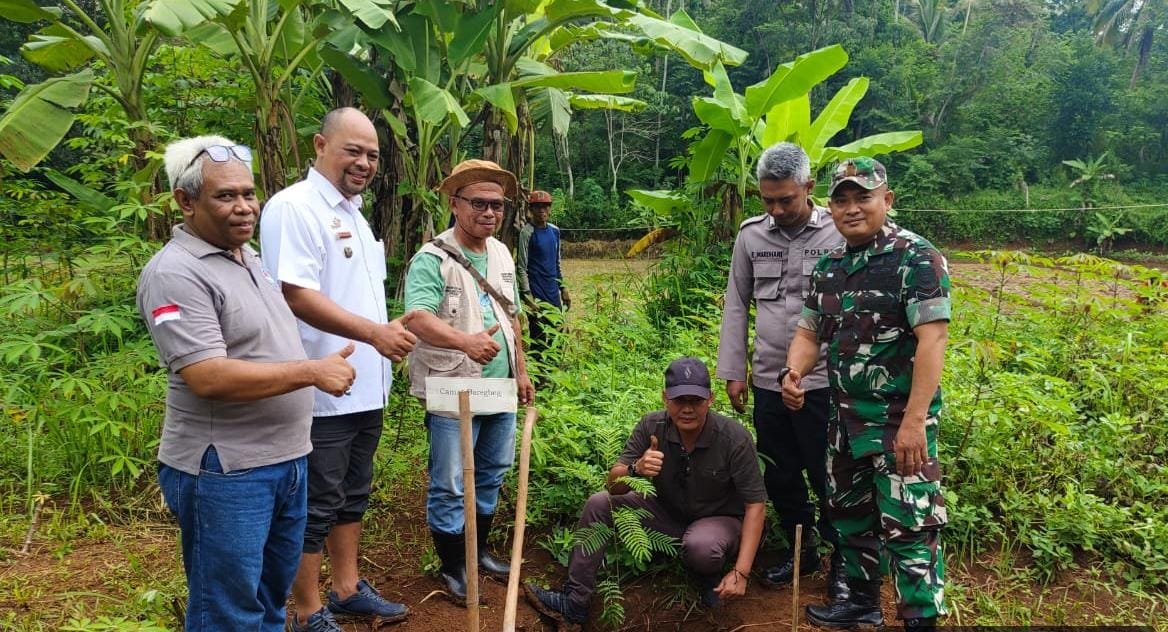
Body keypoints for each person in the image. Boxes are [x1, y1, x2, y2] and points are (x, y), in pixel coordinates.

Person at [137, 135, 357, 631]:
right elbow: (207, 375)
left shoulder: (247, 258)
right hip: (227, 471)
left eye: (248, 193)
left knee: (268, 599)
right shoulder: (174, 274)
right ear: (186, 201)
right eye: (226, 196)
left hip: (286, 460)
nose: (244, 207)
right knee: (228, 611)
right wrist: (311, 371)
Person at [259, 107, 414, 631]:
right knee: (315, 502)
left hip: (366, 385)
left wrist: (384, 338)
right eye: (353, 150)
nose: (365, 163)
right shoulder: (294, 208)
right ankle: (306, 611)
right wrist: (374, 334)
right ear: (320, 145)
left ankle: (346, 590)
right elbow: (295, 295)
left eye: (372, 155)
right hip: (320, 387)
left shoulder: (354, 212)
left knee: (352, 494)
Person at [782, 157, 950, 632]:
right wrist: (793, 374)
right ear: (830, 206)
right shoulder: (831, 265)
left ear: (887, 200)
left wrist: (916, 421)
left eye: (863, 197)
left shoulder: (916, 256)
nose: (851, 208)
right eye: (842, 199)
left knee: (910, 524)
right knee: (850, 517)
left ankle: (919, 617)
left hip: (899, 422)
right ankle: (860, 603)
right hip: (844, 421)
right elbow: (810, 332)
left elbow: (932, 340)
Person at [525, 357, 767, 627]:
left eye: (695, 401)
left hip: (718, 521)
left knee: (702, 547)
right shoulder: (652, 426)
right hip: (665, 512)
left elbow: (755, 505)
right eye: (679, 400)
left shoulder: (734, 438)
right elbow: (613, 485)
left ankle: (708, 576)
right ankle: (575, 602)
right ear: (665, 398)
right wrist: (636, 469)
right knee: (599, 503)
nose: (687, 409)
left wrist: (741, 572)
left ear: (709, 399)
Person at [403, 159, 536, 605]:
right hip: (453, 387)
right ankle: (453, 566)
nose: (489, 213)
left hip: (499, 389)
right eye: (478, 202)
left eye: (497, 205)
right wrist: (465, 342)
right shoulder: (432, 259)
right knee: (450, 482)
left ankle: (479, 554)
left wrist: (522, 368)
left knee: (493, 474)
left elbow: (512, 314)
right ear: (455, 204)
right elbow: (417, 317)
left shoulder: (500, 252)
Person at [716, 142, 846, 597]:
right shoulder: (752, 236)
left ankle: (843, 560)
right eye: (767, 200)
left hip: (825, 381)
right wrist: (734, 370)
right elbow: (737, 305)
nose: (775, 209)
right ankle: (800, 548)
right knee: (780, 471)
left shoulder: (839, 232)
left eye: (785, 199)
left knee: (827, 470)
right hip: (770, 377)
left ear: (809, 188)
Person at [516, 190, 570, 359]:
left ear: (550, 209)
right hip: (537, 295)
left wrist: (563, 288)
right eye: (538, 207)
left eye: (545, 207)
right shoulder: (527, 233)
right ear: (530, 210)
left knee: (557, 334)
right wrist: (527, 296)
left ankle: (555, 372)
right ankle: (540, 380)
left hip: (553, 293)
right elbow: (521, 267)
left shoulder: (555, 231)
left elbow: (557, 262)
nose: (542, 211)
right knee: (538, 336)